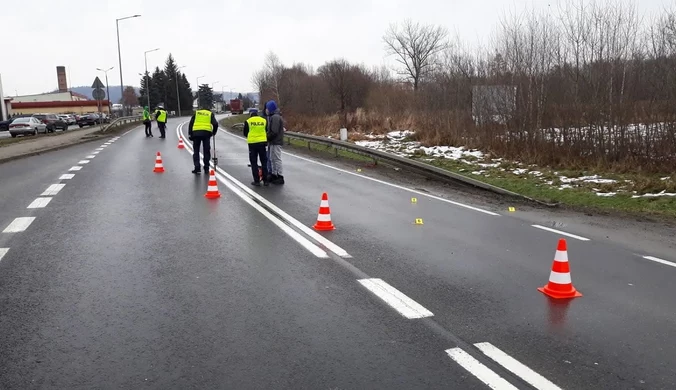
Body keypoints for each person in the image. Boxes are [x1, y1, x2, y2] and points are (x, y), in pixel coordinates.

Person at [188, 104, 219, 174]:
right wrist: (214, 132)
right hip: (206, 134)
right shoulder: (210, 114)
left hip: (196, 133)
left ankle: (197, 168)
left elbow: (191, 123)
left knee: (196, 151)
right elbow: (215, 124)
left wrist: (190, 134)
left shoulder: (197, 113)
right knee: (206, 151)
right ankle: (206, 168)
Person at [243, 110, 269, 186]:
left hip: (252, 144)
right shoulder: (263, 120)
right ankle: (266, 180)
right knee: (264, 162)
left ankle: (256, 181)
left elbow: (245, 132)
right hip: (262, 143)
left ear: (250, 114)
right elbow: (266, 130)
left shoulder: (248, 121)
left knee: (254, 162)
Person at [265, 100, 285, 184]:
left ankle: (280, 175)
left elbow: (274, 131)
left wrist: (267, 137)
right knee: (272, 158)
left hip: (276, 141)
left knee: (276, 159)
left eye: (267, 108)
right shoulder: (273, 116)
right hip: (273, 142)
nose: (266, 110)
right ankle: (274, 174)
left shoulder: (275, 117)